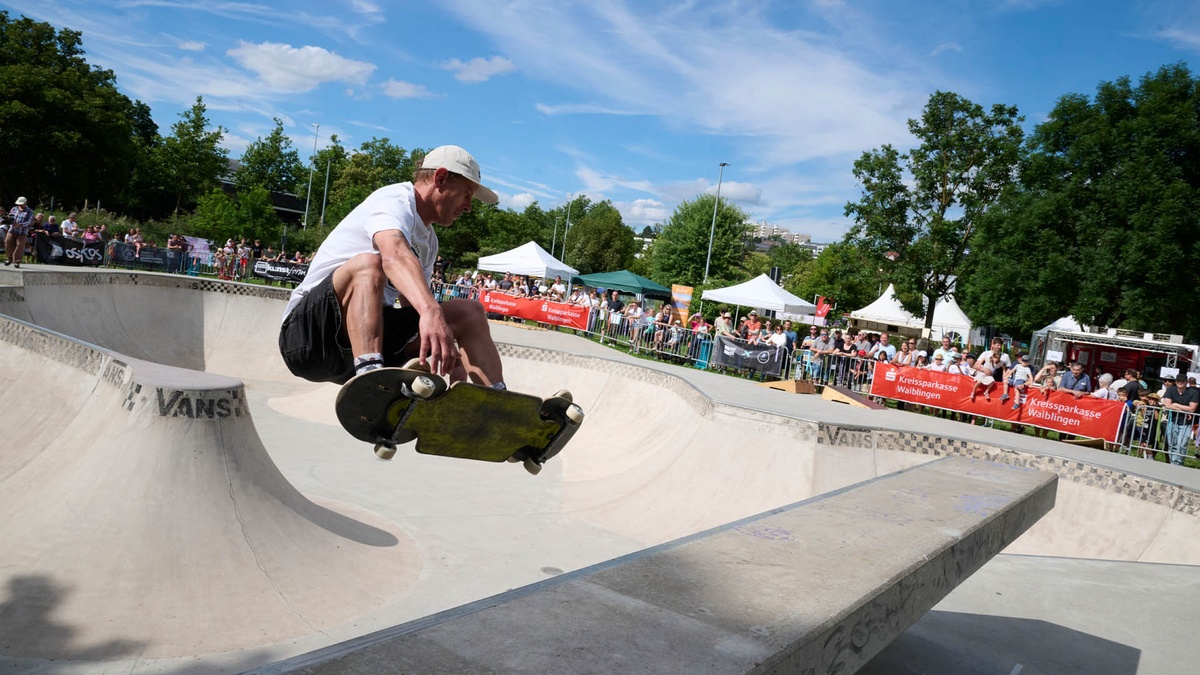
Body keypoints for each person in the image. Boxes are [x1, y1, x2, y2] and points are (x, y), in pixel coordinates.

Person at [278, 145, 505, 387]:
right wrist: (432, 311)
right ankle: (371, 382)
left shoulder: (429, 242)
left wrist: (454, 351)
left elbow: (414, 307)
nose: (469, 206)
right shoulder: (395, 200)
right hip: (309, 336)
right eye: (467, 194)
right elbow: (393, 254)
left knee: (470, 312)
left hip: (367, 340)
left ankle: (496, 406)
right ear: (440, 178)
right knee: (370, 264)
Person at [1161, 376, 1199, 465]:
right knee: (1172, 444)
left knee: (1181, 445)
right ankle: (1173, 463)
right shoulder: (1171, 390)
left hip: (1186, 423)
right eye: (1178, 381)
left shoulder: (1193, 392)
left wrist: (1176, 405)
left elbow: (1192, 409)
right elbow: (1167, 405)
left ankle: (1179, 464)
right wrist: (1184, 410)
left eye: (1182, 381)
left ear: (1186, 382)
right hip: (1172, 420)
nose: (1180, 382)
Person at [4, 197, 34, 268]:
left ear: (25, 203)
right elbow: (10, 216)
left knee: (19, 247)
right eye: (19, 204)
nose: (19, 205)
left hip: (22, 232)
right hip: (12, 230)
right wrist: (8, 219)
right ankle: (9, 258)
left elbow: (29, 222)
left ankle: (16, 261)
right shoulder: (14, 208)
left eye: (21, 204)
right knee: (7, 243)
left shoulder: (30, 211)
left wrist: (20, 225)